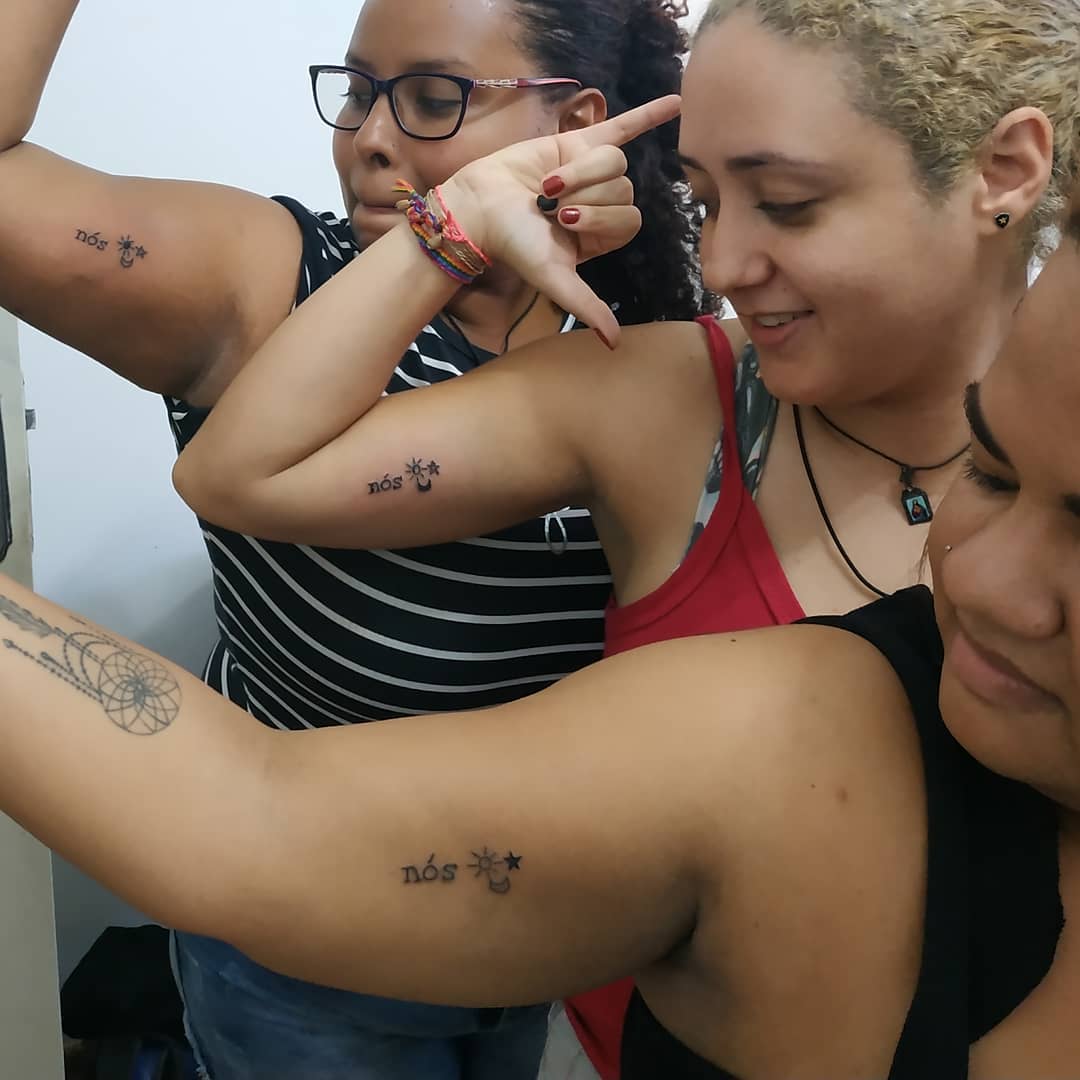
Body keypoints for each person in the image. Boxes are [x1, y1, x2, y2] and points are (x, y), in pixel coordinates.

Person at [170, 1, 1080, 1074]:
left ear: (1005, 173)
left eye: (788, 205)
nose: (724, 262)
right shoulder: (670, 401)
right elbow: (239, 474)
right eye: (703, 201)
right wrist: (457, 222)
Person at [0, 2, 700, 1077]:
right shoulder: (271, 286)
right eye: (358, 91)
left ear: (578, 122)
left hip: (545, 952)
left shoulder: (645, 324)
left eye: (431, 98)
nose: (368, 137)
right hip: (302, 973)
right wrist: (450, 228)